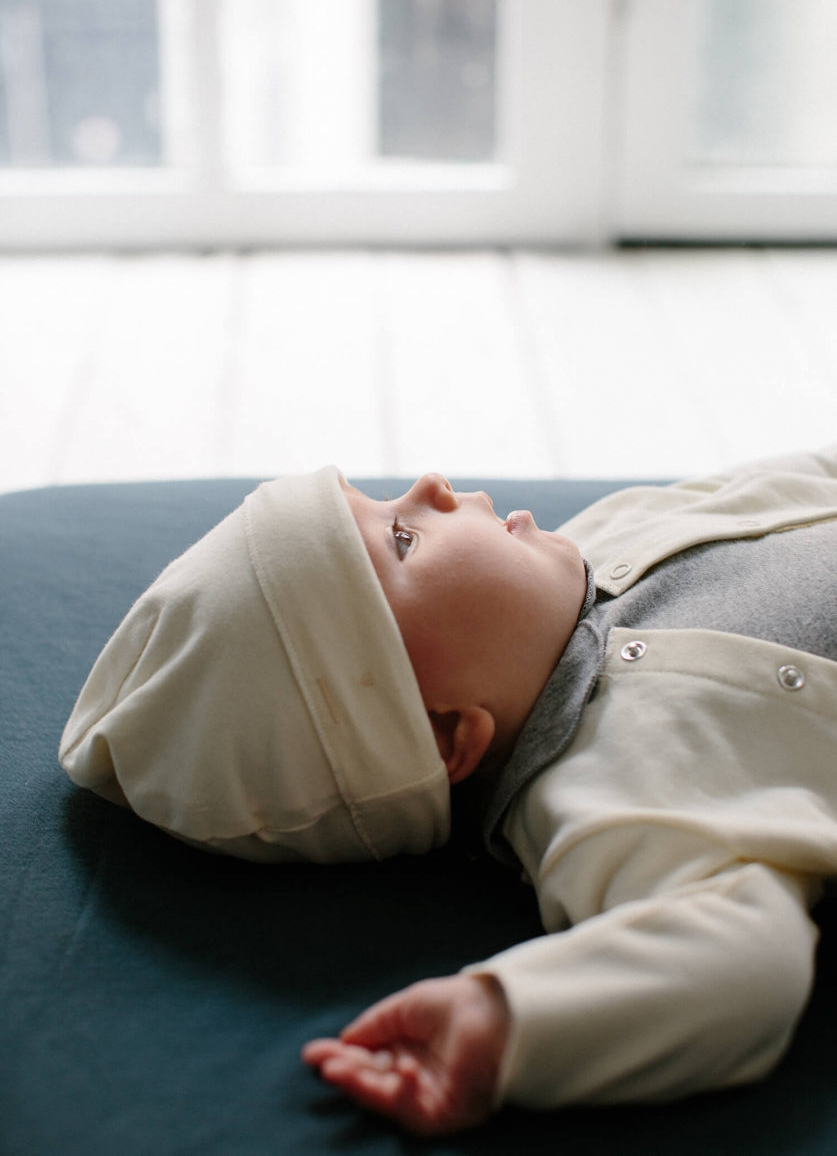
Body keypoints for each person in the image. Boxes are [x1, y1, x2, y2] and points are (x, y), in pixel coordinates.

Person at [60, 449, 837, 1136]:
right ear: (442, 737)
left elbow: (779, 481)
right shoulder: (611, 803)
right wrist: (508, 1021)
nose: (429, 485)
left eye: (386, 499)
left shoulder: (603, 537)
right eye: (401, 539)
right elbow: (737, 963)